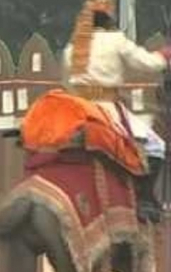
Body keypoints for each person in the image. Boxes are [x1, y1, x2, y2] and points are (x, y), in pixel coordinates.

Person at [63, 0, 171, 223]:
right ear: (108, 19)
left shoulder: (72, 47)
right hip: (106, 110)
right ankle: (145, 201)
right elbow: (148, 64)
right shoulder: (115, 40)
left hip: (75, 111)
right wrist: (164, 55)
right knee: (156, 146)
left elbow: (67, 83)